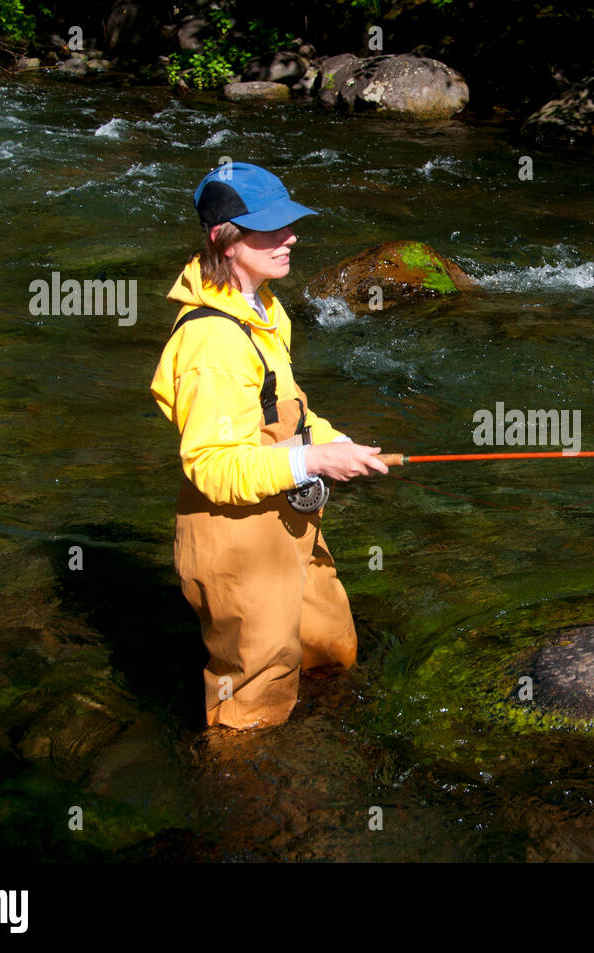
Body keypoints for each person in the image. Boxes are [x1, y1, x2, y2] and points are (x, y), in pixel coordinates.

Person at [151, 161, 388, 730]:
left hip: (288, 515)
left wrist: (338, 442)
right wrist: (313, 460)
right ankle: (249, 801)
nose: (291, 238)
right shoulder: (212, 340)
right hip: (235, 542)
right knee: (253, 701)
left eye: (290, 224)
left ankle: (320, 746)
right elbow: (210, 467)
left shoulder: (262, 307)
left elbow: (284, 409)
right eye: (271, 228)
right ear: (224, 241)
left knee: (330, 648)